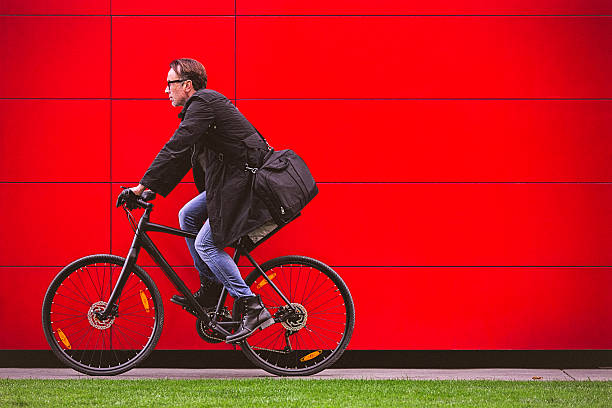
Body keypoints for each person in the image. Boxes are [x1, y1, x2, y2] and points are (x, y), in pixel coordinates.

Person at [118, 58, 274, 343]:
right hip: (230, 182)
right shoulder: (201, 110)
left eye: (170, 84)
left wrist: (140, 187)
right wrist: (152, 188)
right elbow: (183, 157)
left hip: (243, 182)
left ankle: (252, 305)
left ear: (187, 86)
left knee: (205, 243)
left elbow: (176, 144)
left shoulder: (204, 102)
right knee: (187, 215)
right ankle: (212, 287)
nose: (166, 90)